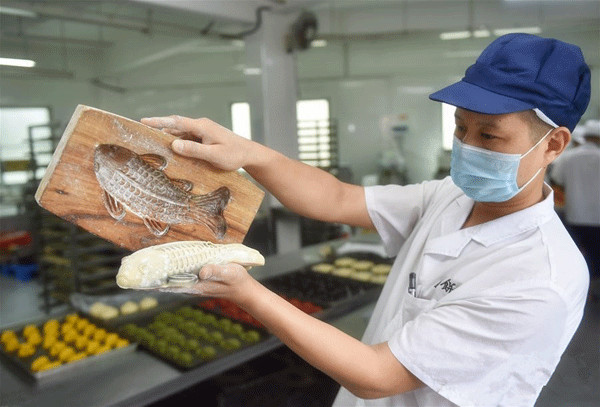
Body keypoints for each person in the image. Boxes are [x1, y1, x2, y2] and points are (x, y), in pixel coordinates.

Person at [141, 33, 591, 406]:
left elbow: (376, 375)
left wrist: (246, 292)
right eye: (460, 128)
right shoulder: (451, 195)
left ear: (553, 144)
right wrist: (249, 153)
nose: (467, 146)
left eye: (489, 135)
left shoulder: (539, 282)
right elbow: (337, 199)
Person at [551, 119, 600, 299]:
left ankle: (578, 286)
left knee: (578, 251)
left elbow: (557, 181)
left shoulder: (568, 157)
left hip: (574, 215)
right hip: (598, 219)